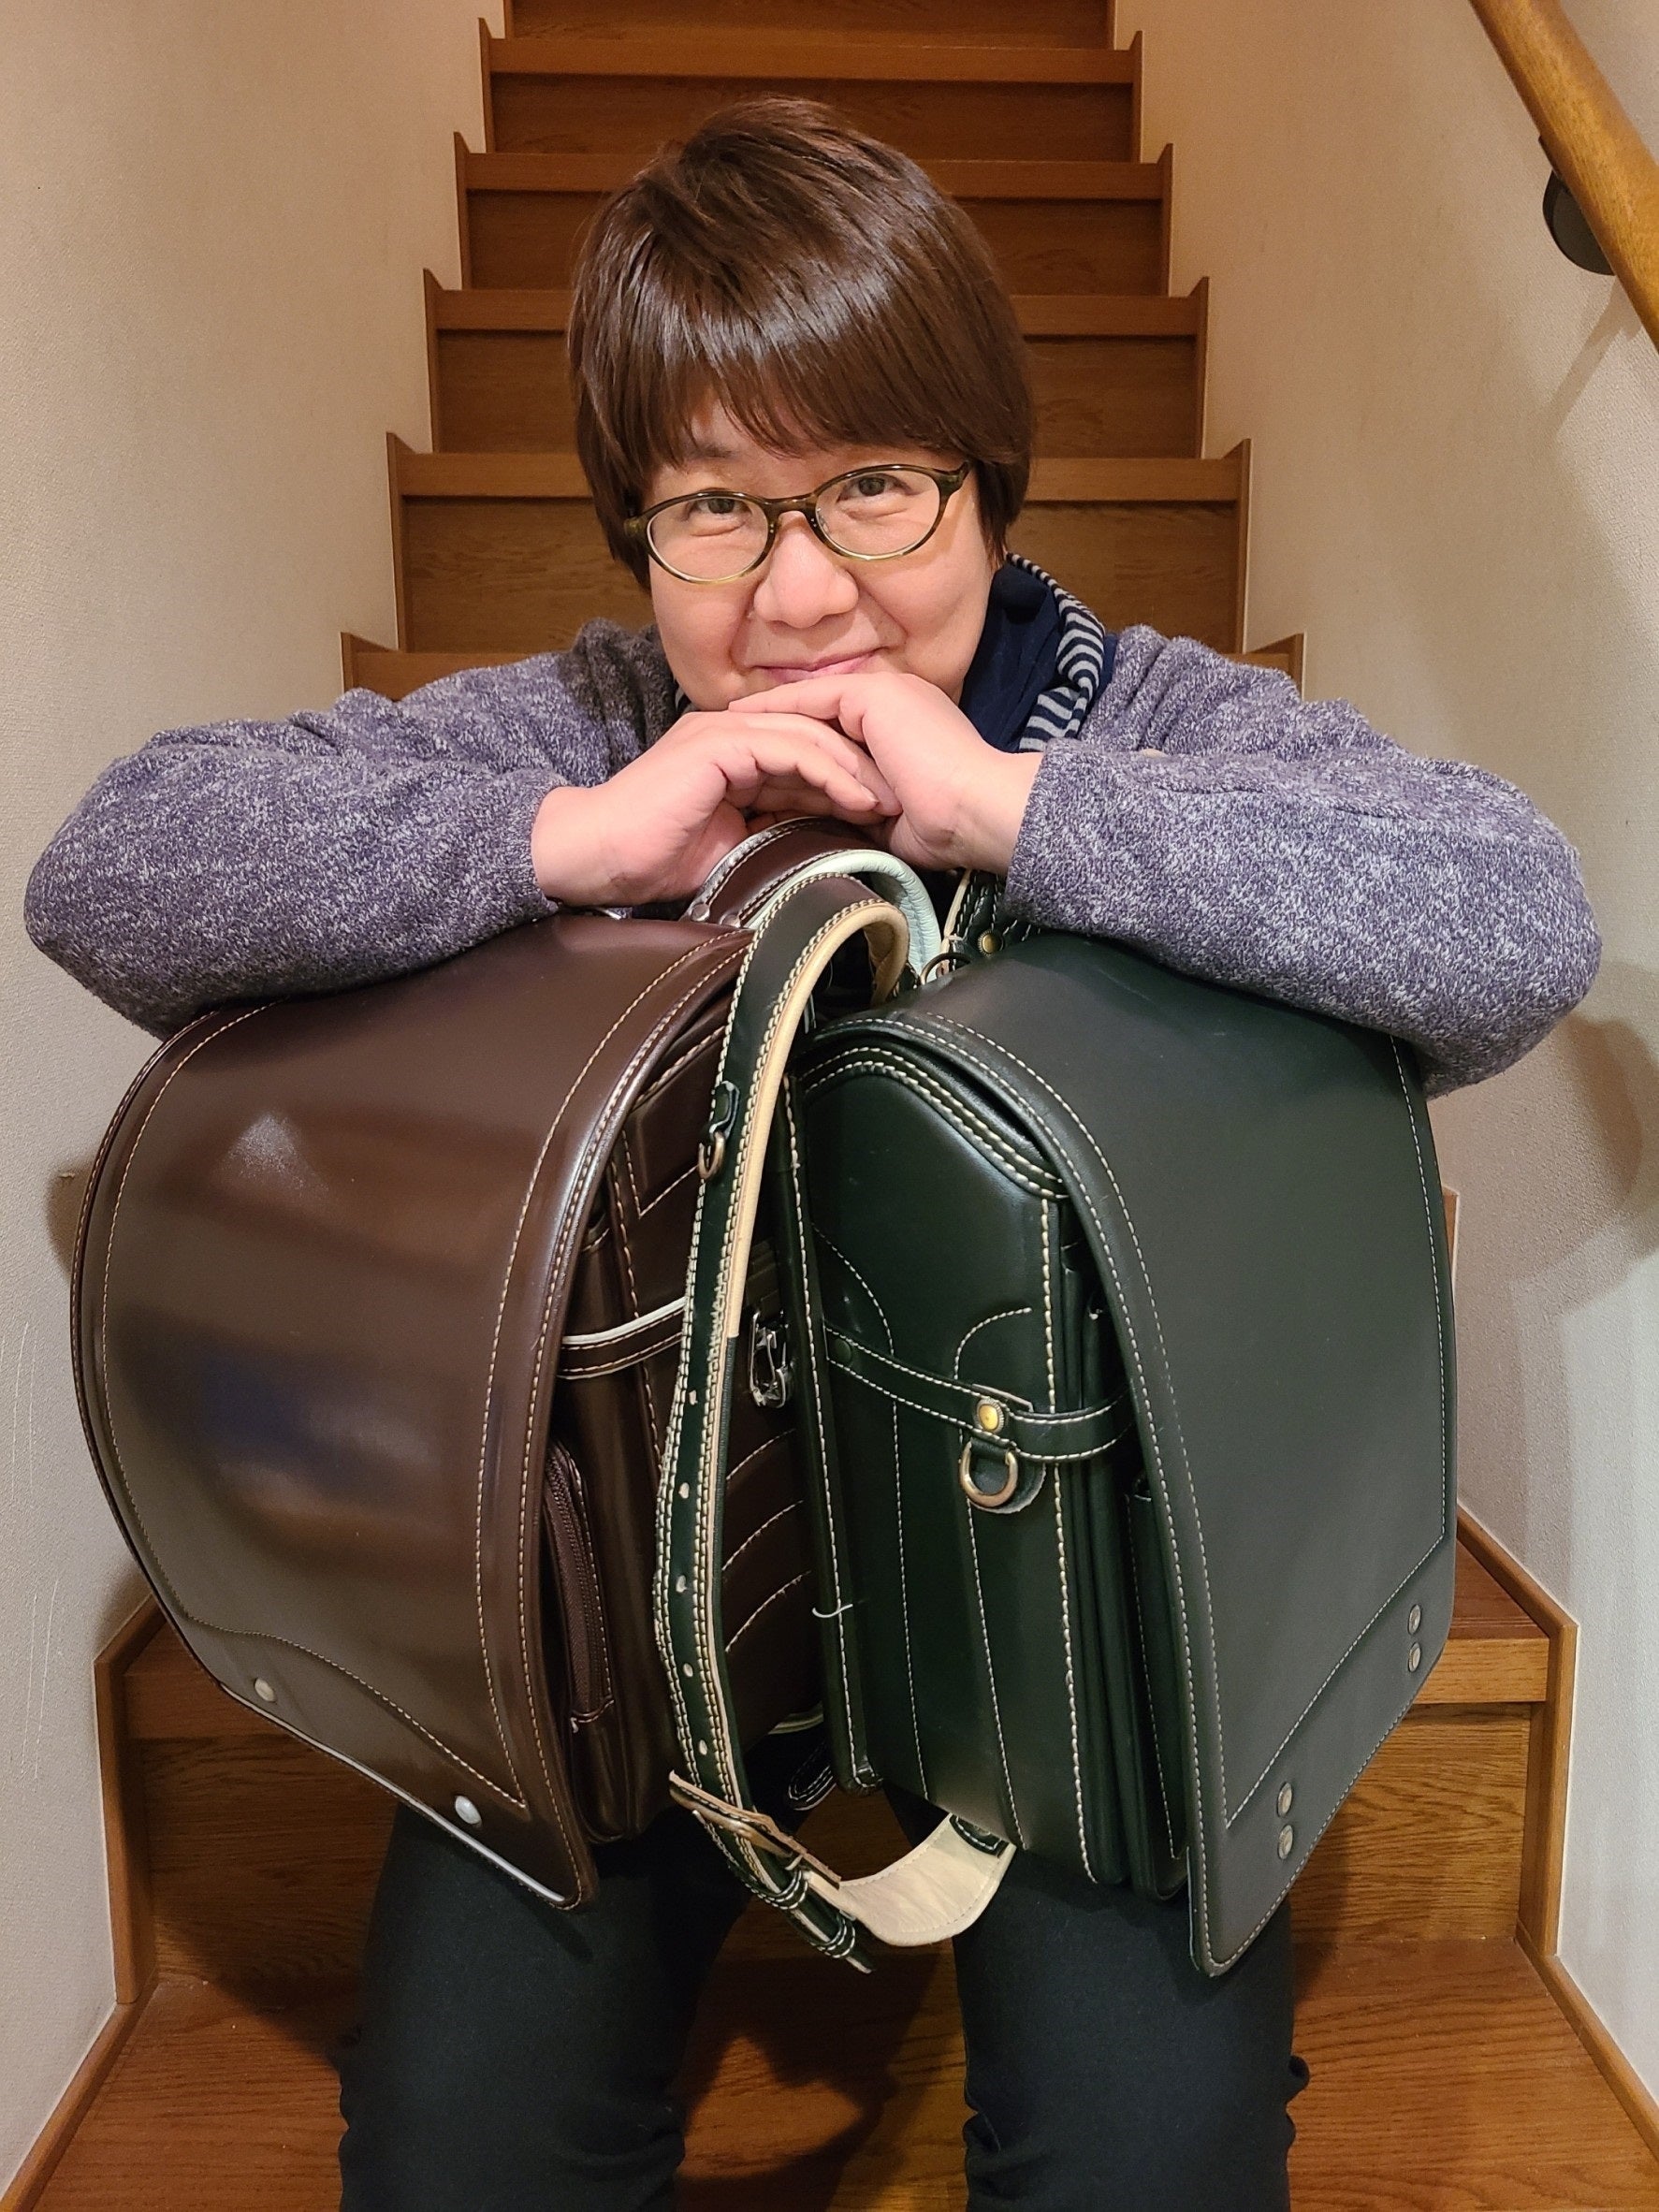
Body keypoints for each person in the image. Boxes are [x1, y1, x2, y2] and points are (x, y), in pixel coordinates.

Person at [26, 98, 1598, 2212]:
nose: (797, 594)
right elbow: (112, 873)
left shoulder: (1134, 718)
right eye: (710, 508)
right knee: (460, 2148)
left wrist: (1023, 815)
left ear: (988, 485)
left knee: (1149, 2158)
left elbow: (1511, 921)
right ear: (632, 527)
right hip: (646, 1581)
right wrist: (561, 841)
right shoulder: (594, 720)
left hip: (1062, 1579)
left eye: (873, 487)